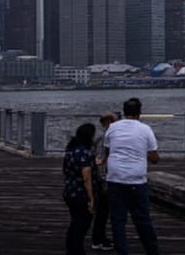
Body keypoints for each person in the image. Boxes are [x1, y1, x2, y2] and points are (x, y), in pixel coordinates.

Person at [105, 98, 160, 255]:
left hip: (115, 177)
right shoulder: (145, 129)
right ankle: (152, 251)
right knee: (142, 219)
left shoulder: (112, 127)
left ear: (124, 112)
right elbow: (154, 158)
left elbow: (108, 150)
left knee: (118, 220)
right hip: (136, 178)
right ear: (139, 113)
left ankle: (121, 251)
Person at [63, 123, 100, 255]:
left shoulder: (71, 151)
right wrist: (91, 197)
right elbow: (86, 176)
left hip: (69, 191)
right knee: (83, 223)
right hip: (81, 194)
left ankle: (70, 249)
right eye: (94, 135)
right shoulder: (85, 153)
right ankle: (78, 250)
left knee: (75, 221)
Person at [91, 111, 118, 251]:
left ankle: (99, 238)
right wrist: (104, 180)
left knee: (103, 211)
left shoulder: (104, 137)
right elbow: (101, 160)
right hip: (105, 180)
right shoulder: (104, 139)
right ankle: (98, 239)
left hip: (104, 179)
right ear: (109, 123)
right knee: (103, 211)